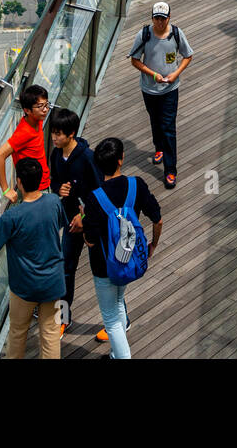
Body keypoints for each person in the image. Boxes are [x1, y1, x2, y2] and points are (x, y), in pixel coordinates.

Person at [0, 157, 67, 359]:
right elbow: (58, 224)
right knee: (50, 333)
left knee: (17, 333)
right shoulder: (53, 202)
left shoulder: (13, 216)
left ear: (19, 182)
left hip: (24, 285)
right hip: (53, 282)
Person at [83, 137, 162, 357]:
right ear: (121, 159)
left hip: (103, 266)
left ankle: (123, 356)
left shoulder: (95, 198)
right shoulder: (137, 184)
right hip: (128, 259)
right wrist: (152, 245)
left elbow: (89, 239)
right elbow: (158, 219)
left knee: (110, 319)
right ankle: (117, 354)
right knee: (118, 303)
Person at [129, 1, 193, 189]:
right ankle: (159, 148)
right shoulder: (144, 35)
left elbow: (187, 55)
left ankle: (170, 170)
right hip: (149, 88)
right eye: (157, 18)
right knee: (155, 120)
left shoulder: (176, 34)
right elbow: (134, 60)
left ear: (169, 18)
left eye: (163, 19)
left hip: (170, 90)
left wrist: (176, 73)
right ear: (152, 18)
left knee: (168, 127)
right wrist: (153, 75)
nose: (160, 22)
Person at [48, 107, 99, 336]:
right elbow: (53, 182)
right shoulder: (55, 155)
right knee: (66, 269)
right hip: (70, 223)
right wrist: (59, 189)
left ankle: (119, 321)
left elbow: (101, 193)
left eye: (59, 134)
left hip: (92, 224)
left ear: (71, 134)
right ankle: (63, 318)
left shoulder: (88, 158)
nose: (54, 138)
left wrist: (85, 216)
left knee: (104, 272)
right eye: (53, 133)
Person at [0, 83, 51, 202]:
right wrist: (6, 190)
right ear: (27, 110)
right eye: (40, 106)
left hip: (44, 181)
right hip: (34, 189)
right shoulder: (24, 133)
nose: (45, 110)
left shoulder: (36, 120)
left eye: (46, 104)